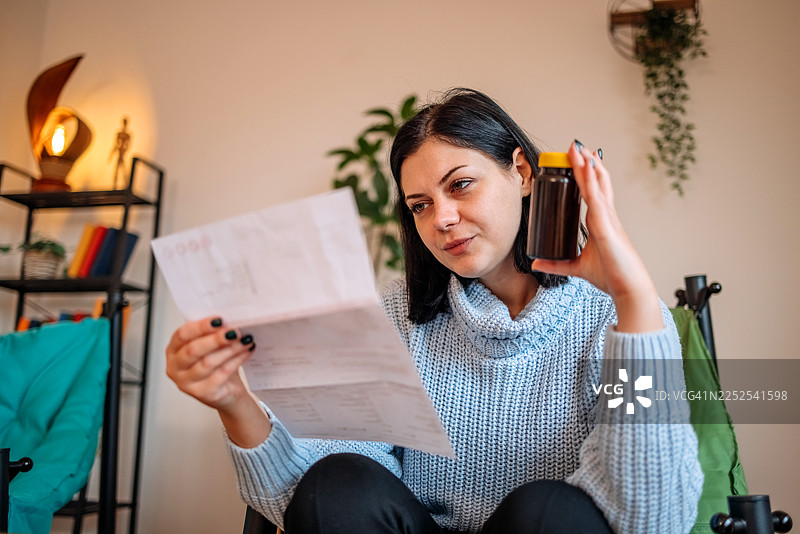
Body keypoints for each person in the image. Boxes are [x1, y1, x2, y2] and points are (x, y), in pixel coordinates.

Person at [165, 88, 703, 534]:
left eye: (461, 185)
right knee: (338, 482)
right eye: (421, 204)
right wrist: (233, 401)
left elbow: (650, 519)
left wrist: (632, 300)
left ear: (523, 173)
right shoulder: (399, 314)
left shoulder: (619, 319)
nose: (441, 219)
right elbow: (306, 505)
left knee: (548, 511)